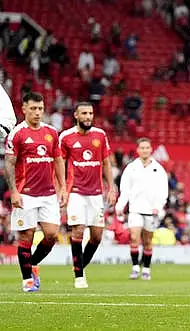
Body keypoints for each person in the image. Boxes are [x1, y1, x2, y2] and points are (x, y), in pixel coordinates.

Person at [5, 92, 67, 292]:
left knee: (51, 234)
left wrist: (63, 187)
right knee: (27, 236)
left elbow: (58, 160)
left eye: (40, 108)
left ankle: (31, 265)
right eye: (33, 108)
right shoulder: (17, 133)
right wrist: (13, 191)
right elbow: (9, 163)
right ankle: (27, 281)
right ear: (23, 109)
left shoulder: (51, 132)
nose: (38, 112)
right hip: (26, 194)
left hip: (48, 193)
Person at [59, 102, 117, 288]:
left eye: (90, 113)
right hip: (75, 191)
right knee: (77, 231)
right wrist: (61, 188)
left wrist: (112, 187)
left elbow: (106, 162)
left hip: (96, 193)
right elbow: (59, 164)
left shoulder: (100, 135)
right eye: (84, 113)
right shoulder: (66, 137)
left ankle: (80, 266)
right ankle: (79, 276)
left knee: (97, 236)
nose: (88, 116)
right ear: (76, 115)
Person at [115, 138, 168, 281]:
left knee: (148, 241)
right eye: (142, 148)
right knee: (134, 237)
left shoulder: (158, 169)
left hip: (151, 210)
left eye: (147, 147)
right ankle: (135, 267)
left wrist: (158, 206)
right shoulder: (131, 168)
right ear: (137, 150)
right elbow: (125, 189)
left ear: (151, 149)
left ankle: (146, 268)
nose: (144, 150)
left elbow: (163, 190)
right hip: (135, 209)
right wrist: (120, 205)